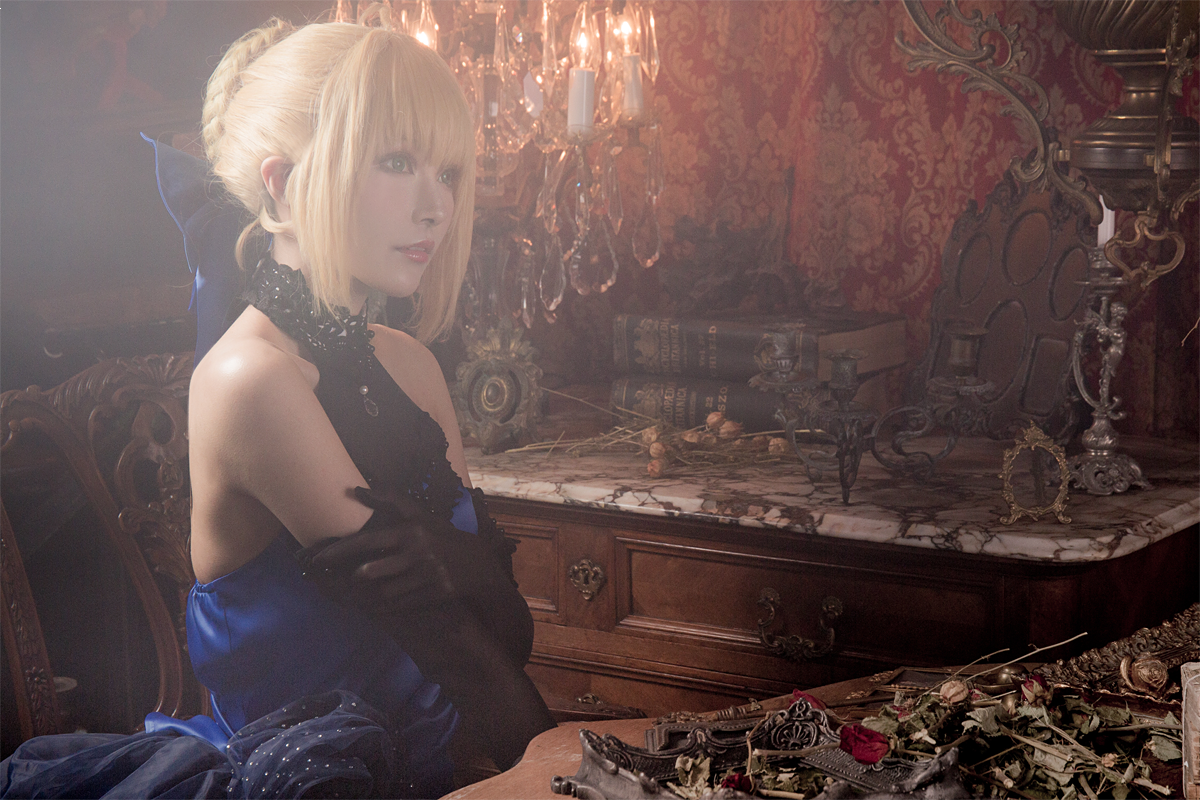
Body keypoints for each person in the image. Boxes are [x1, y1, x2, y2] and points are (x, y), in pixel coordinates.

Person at [1, 16, 554, 800]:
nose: (436, 206)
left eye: (449, 172)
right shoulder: (250, 380)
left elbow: (503, 637)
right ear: (285, 183)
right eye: (398, 163)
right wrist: (586, 777)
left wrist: (463, 565)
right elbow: (455, 644)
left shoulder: (413, 364)